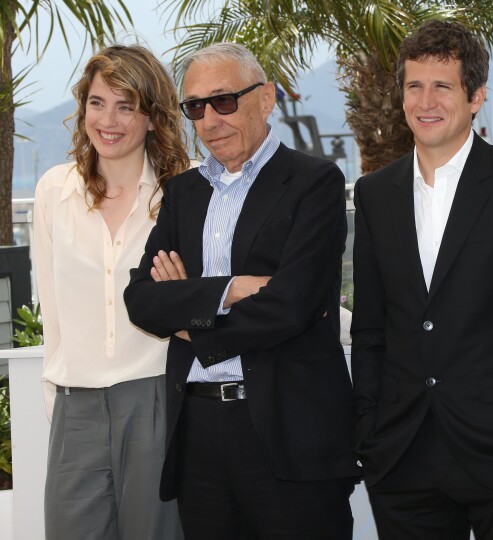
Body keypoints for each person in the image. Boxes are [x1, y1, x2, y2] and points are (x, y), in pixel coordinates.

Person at [124, 42, 359, 539]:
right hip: (199, 436)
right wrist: (228, 291)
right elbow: (141, 298)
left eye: (224, 100)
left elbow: (291, 306)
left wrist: (191, 323)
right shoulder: (184, 193)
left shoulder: (314, 182)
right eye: (195, 107)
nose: (210, 119)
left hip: (289, 432)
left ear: (267, 98)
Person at [351, 19, 493, 539]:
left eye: (442, 86)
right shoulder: (374, 193)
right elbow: (370, 328)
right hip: (400, 456)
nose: (425, 101)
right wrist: (368, 432)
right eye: (414, 86)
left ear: (476, 96)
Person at [34, 45, 188, 539]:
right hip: (74, 406)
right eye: (98, 102)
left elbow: (194, 306)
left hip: (155, 400)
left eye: (127, 106)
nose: (109, 120)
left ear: (151, 117)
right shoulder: (54, 192)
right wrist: (57, 399)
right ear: (82, 109)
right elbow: (51, 312)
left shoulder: (182, 197)